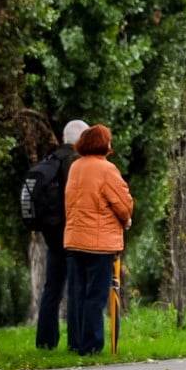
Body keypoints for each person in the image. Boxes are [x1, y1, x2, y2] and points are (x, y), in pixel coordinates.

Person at [63, 124, 133, 355]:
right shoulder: (106, 169)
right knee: (96, 295)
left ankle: (75, 343)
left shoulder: (75, 167)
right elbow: (123, 204)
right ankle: (91, 346)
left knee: (77, 294)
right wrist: (126, 219)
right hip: (99, 243)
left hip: (75, 239)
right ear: (103, 143)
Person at [35, 119, 88, 350]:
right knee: (76, 289)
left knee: (52, 290)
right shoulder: (75, 162)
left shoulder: (52, 161)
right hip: (71, 234)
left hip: (52, 234)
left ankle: (46, 343)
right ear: (81, 140)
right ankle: (76, 343)